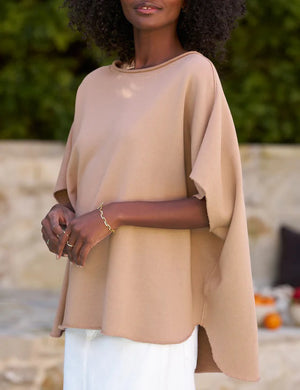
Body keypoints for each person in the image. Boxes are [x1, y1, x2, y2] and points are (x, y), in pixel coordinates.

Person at [41, 0, 260, 388]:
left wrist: (115, 215)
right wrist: (60, 215)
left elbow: (215, 206)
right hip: (87, 308)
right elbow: (76, 195)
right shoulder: (92, 87)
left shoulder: (195, 75)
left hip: (153, 309)